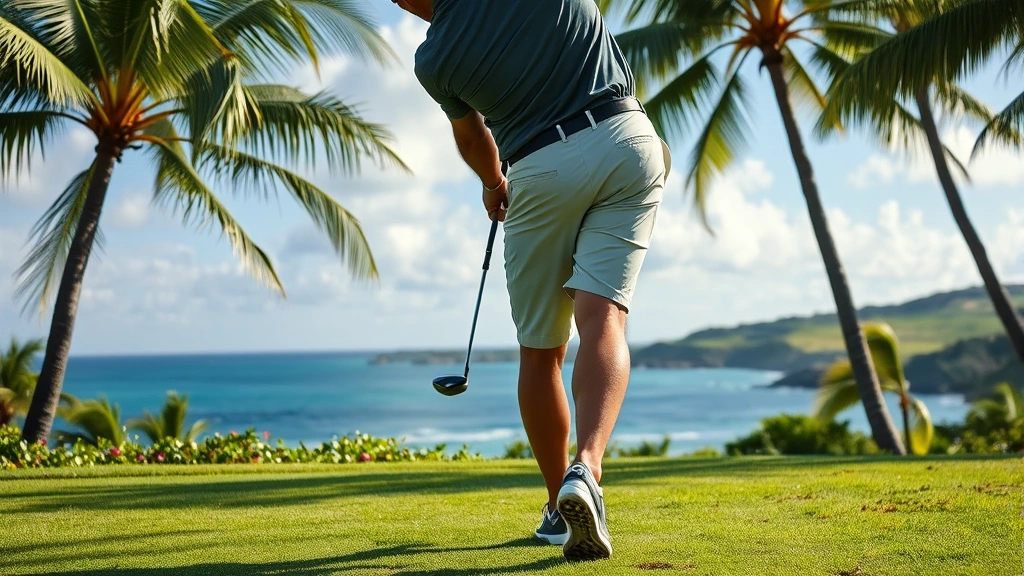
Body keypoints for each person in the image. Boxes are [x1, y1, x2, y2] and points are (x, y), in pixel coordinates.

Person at [391, 0, 669, 561]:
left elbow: (474, 141)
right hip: (629, 140)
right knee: (604, 318)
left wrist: (493, 183)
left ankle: (555, 506)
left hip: (540, 169)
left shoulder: (434, 59)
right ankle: (586, 469)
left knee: (541, 353)